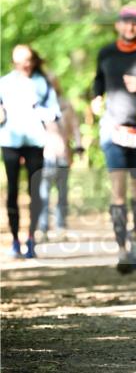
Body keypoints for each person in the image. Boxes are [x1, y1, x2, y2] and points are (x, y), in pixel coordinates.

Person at [91, 6, 136, 273]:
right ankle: (121, 249)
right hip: (113, 128)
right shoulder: (106, 52)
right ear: (118, 25)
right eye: (126, 22)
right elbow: (98, 80)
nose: (131, 27)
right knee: (118, 190)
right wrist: (96, 97)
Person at [0, 45, 60, 258]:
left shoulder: (42, 82)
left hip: (35, 142)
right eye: (19, 62)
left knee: (35, 191)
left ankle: (31, 238)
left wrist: (38, 109)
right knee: (13, 191)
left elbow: (55, 112)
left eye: (27, 60)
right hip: (10, 141)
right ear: (14, 63)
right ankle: (15, 240)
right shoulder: (4, 83)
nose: (24, 65)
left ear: (34, 61)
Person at [37, 76, 84, 241]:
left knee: (62, 192)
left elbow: (75, 127)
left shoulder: (65, 105)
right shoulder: (39, 105)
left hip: (63, 154)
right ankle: (42, 228)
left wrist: (79, 146)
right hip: (45, 155)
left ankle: (60, 227)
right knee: (43, 192)